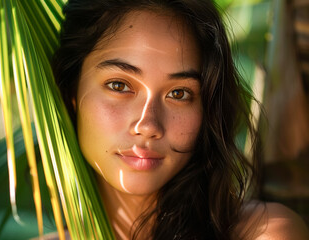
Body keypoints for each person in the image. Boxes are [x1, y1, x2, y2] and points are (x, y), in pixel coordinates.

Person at [51, 0, 309, 239]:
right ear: (72, 90)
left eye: (179, 93)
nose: (148, 125)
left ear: (206, 108)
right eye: (118, 85)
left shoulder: (264, 233)